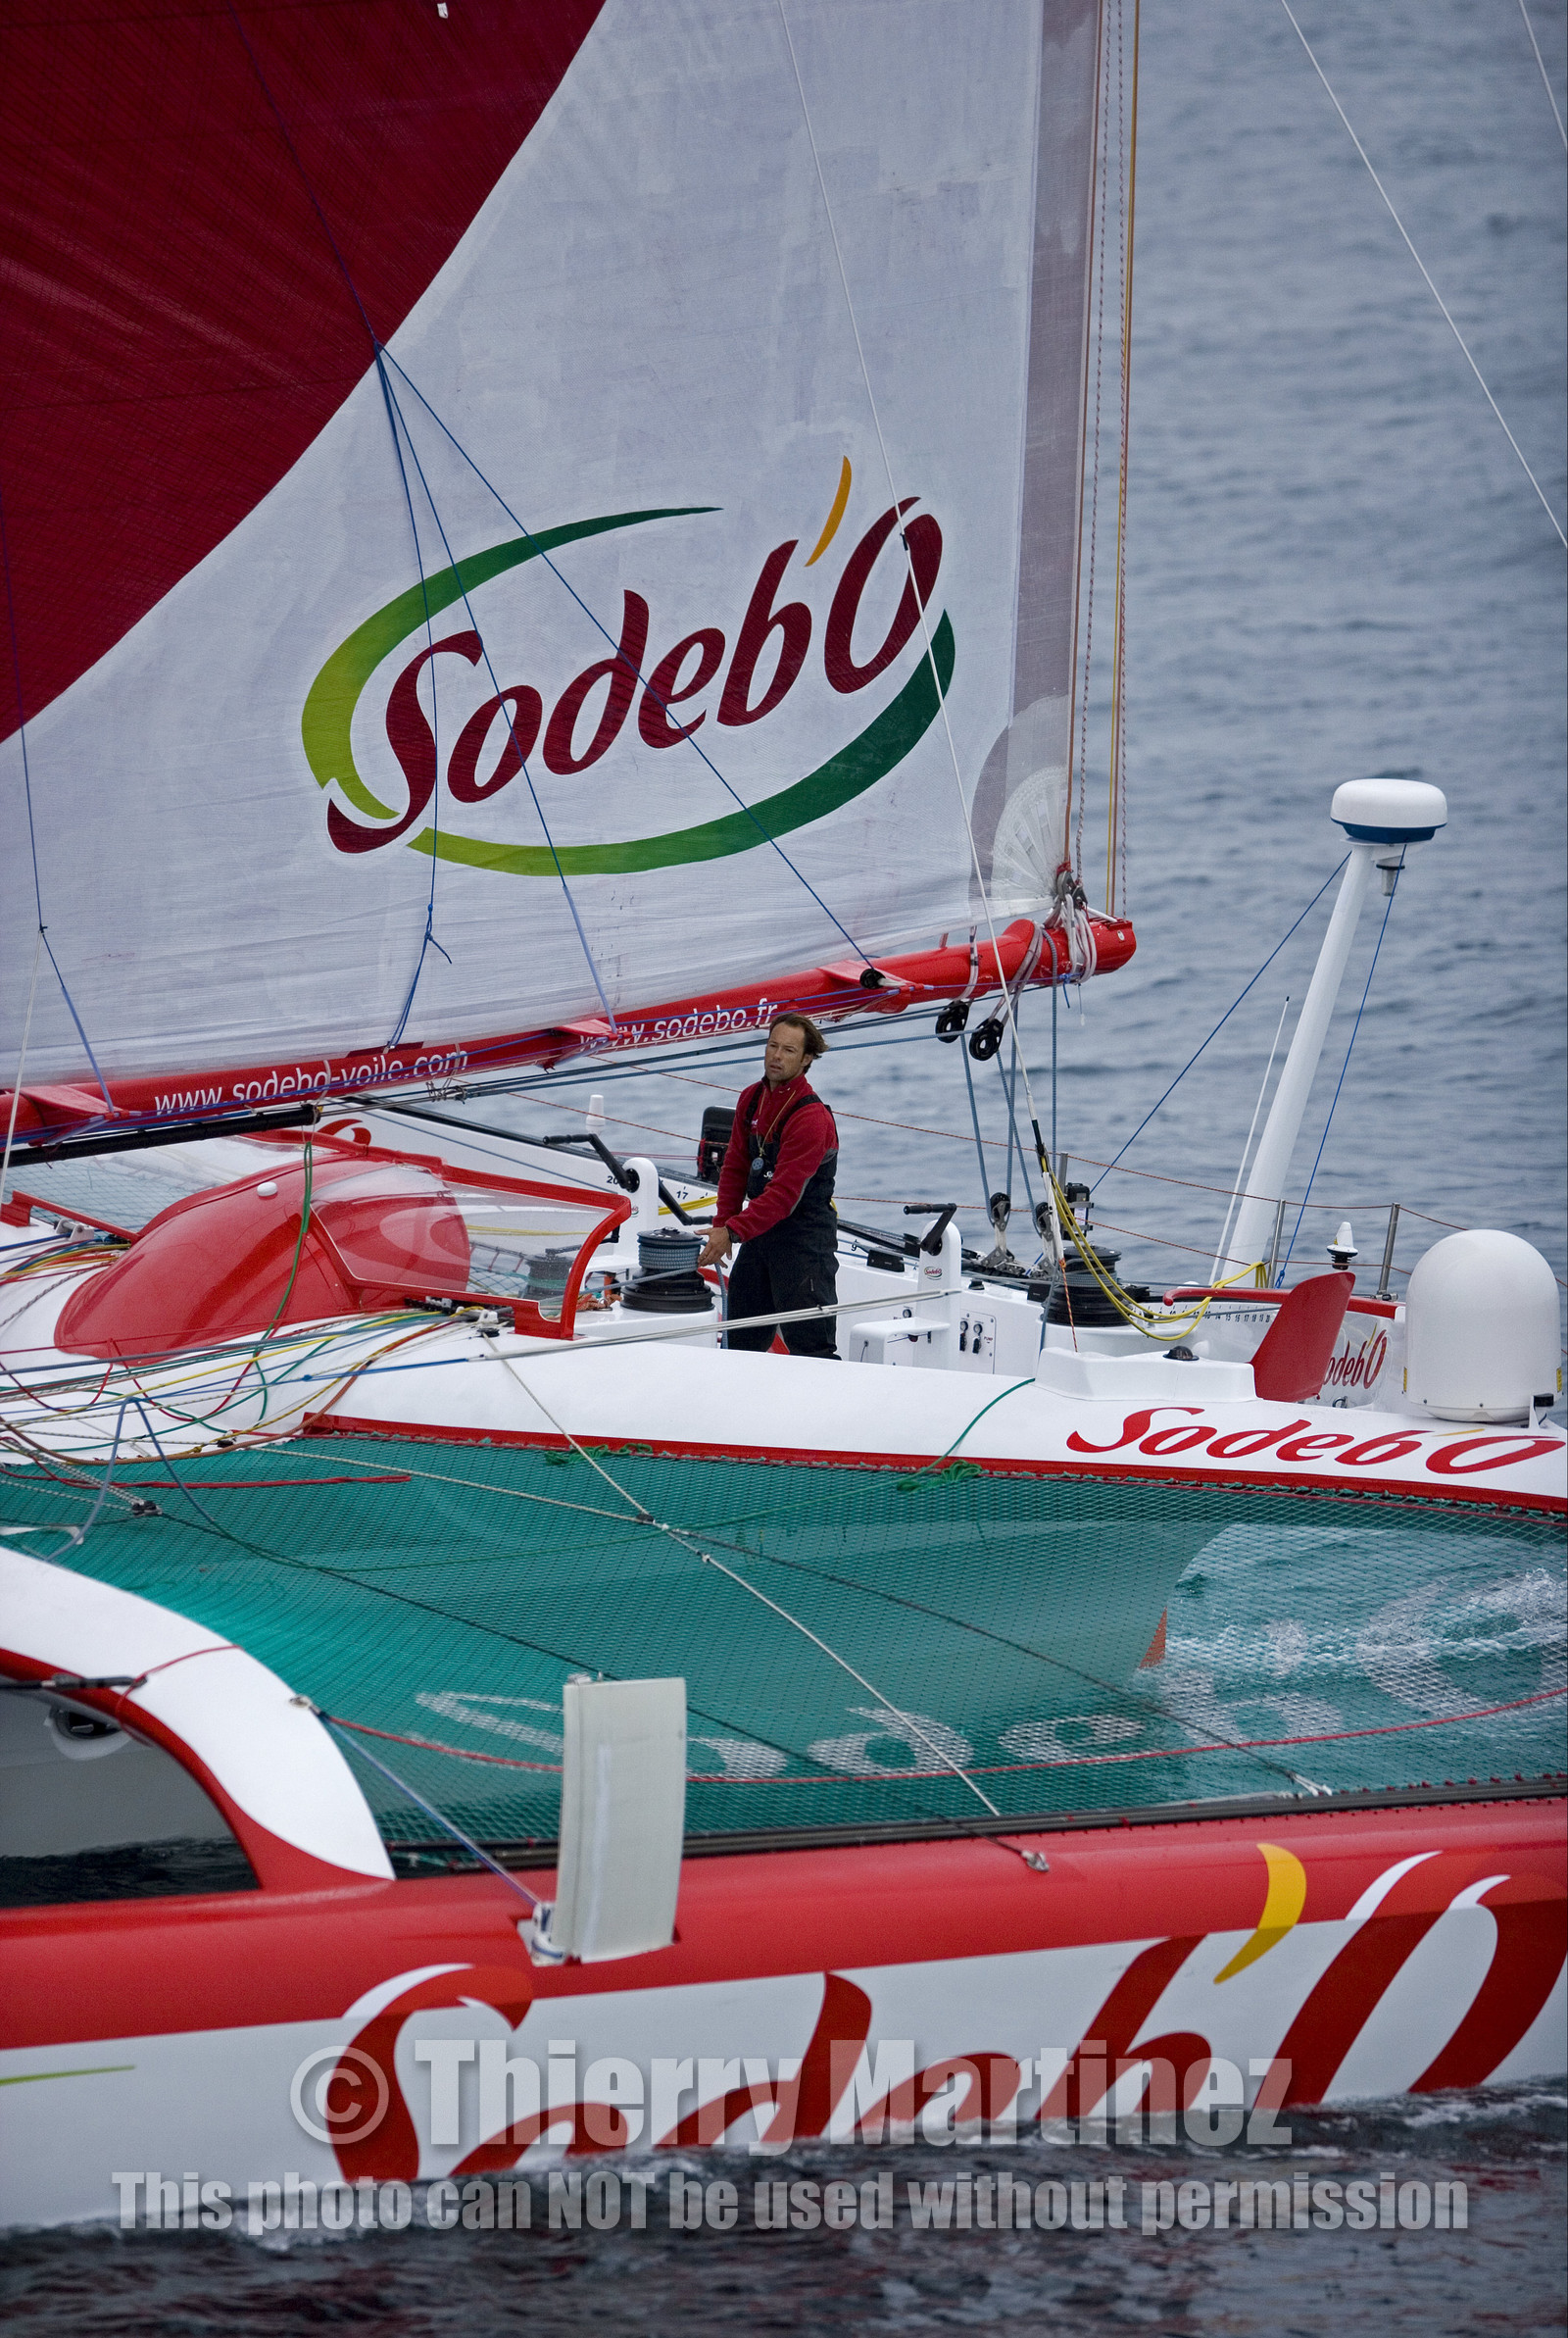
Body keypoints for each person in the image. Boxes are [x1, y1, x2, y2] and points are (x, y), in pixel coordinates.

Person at [698, 1014, 839, 1357]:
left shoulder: (811, 1118)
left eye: (788, 1050)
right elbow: (734, 1167)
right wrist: (723, 1222)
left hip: (803, 1240)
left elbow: (783, 1197)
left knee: (812, 1348)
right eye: (772, 1046)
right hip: (760, 1235)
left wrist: (731, 1231)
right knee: (740, 1340)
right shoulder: (752, 1098)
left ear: (806, 1060)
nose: (776, 1056)